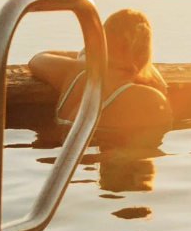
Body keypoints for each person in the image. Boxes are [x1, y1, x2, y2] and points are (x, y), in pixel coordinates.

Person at [28, 8, 172, 136]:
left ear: (102, 40)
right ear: (144, 52)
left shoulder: (75, 73)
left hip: (70, 156)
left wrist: (89, 55)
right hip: (108, 159)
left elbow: (37, 59)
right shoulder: (150, 99)